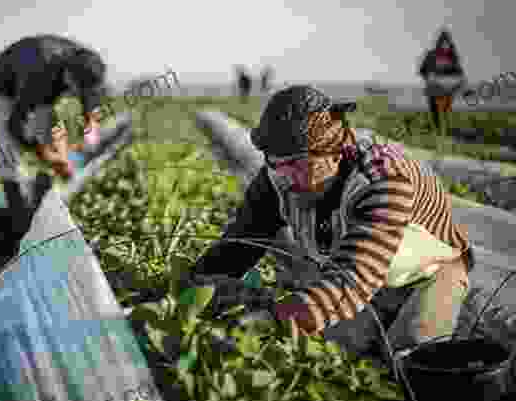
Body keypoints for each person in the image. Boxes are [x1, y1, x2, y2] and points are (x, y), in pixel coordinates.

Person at [185, 85, 475, 359]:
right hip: (360, 270)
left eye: (296, 164)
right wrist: (190, 287)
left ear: (332, 153)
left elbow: (351, 282)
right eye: (275, 162)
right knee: (337, 346)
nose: (284, 175)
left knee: (410, 355)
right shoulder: (277, 175)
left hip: (429, 273)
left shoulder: (382, 181)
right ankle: (374, 328)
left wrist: (272, 319)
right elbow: (240, 244)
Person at [0, 35, 106, 240]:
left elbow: (90, 103)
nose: (78, 93)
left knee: (52, 130)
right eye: (76, 88)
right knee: (8, 151)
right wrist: (48, 156)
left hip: (42, 84)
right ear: (69, 76)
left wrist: (91, 131)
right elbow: (15, 126)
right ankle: (18, 218)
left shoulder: (86, 66)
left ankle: (47, 190)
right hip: (4, 85)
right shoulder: (39, 75)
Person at [418, 28, 466, 134]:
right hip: (434, 89)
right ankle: (438, 131)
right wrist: (428, 76)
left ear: (450, 44)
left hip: (448, 91)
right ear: (439, 43)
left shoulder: (453, 57)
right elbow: (422, 70)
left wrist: (460, 85)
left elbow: (459, 73)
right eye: (443, 43)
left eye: (447, 43)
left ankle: (442, 132)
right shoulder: (431, 55)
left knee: (444, 112)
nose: (445, 46)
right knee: (435, 112)